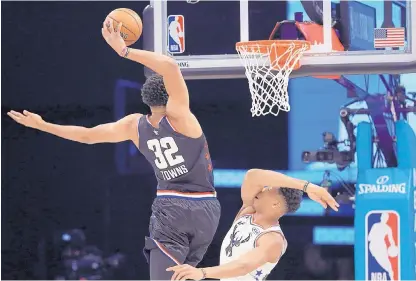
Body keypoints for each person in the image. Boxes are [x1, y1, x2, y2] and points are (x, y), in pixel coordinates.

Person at [7, 19, 221, 280]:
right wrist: (125, 50)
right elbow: (169, 66)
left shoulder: (134, 126)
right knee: (187, 275)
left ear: (146, 99)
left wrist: (44, 125)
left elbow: (87, 136)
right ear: (171, 95)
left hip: (172, 206)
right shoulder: (182, 117)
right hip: (208, 209)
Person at [167, 168, 339, 281]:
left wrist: (201, 273)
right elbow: (253, 175)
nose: (260, 189)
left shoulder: (272, 239)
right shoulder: (247, 211)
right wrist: (306, 187)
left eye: (267, 189)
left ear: (275, 205)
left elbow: (244, 266)